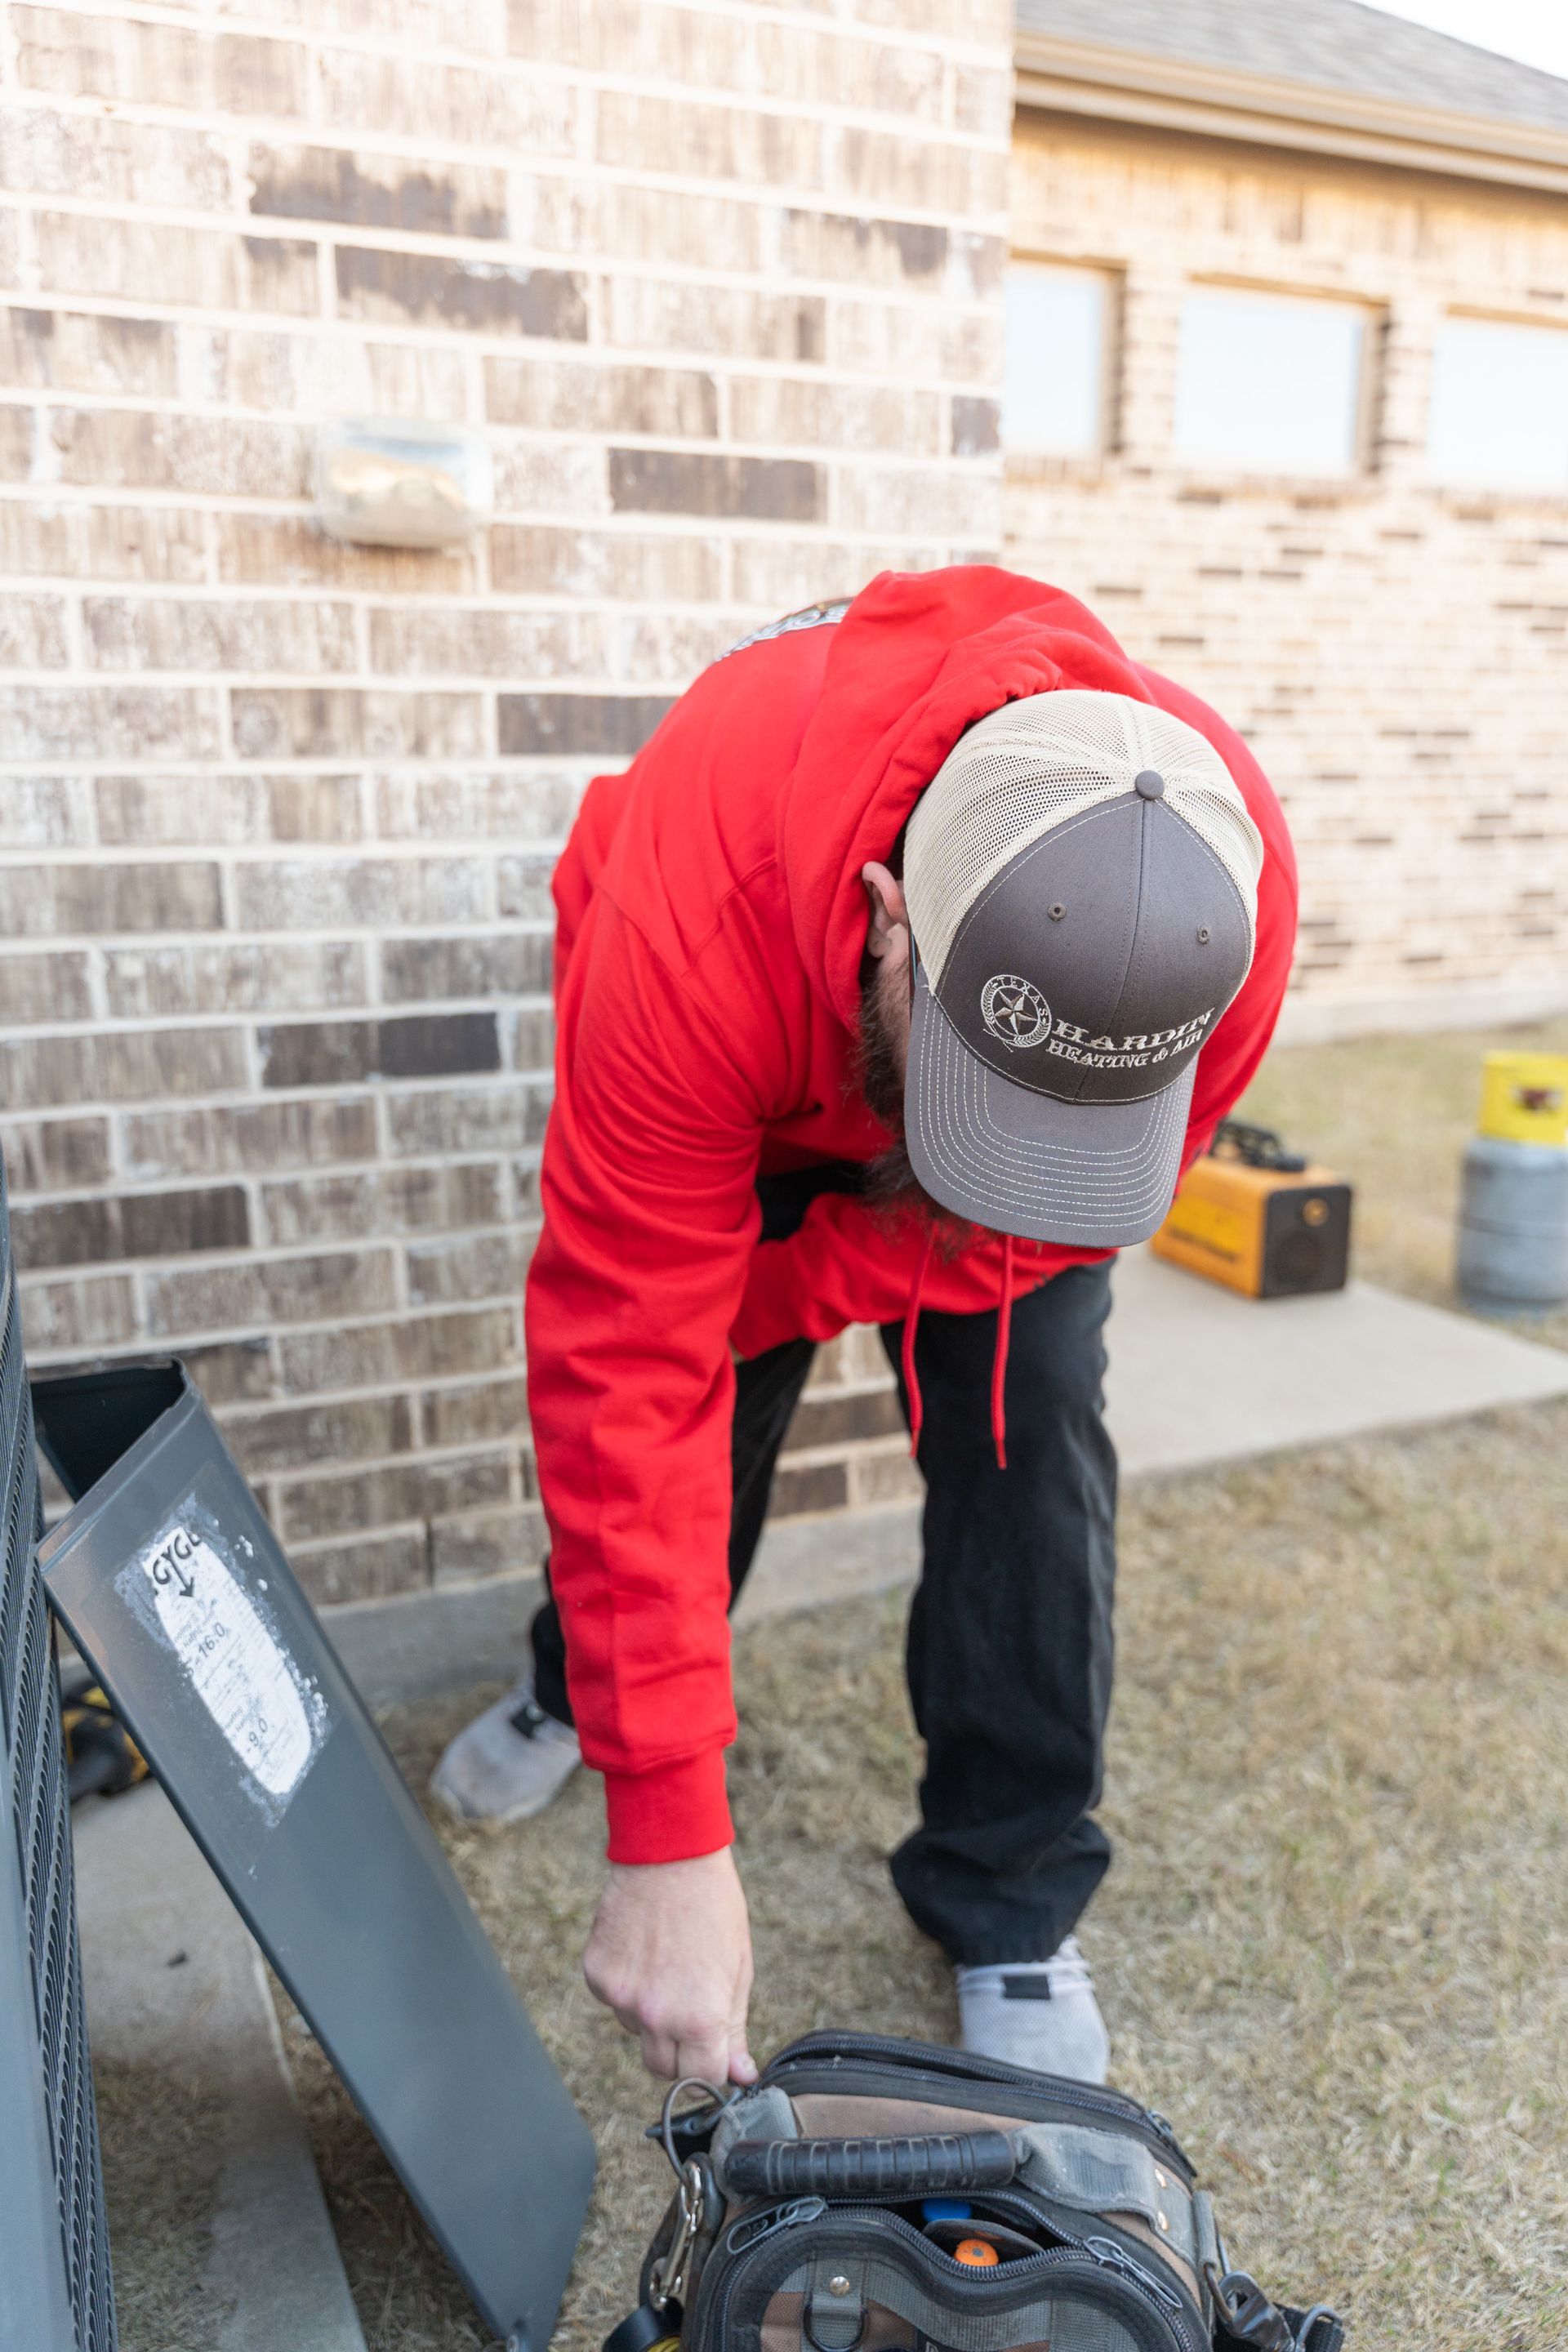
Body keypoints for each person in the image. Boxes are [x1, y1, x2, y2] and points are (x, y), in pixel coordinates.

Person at [432, 566, 1296, 2091]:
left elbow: (1063, 1217)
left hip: (919, 1095)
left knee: (1032, 1429)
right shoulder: (695, 908)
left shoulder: (1237, 902)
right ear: (891, 919)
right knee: (707, 1406)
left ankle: (1011, 1886)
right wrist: (671, 1833)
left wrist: (787, 1285)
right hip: (761, 1058)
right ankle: (587, 1690)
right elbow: (630, 1361)